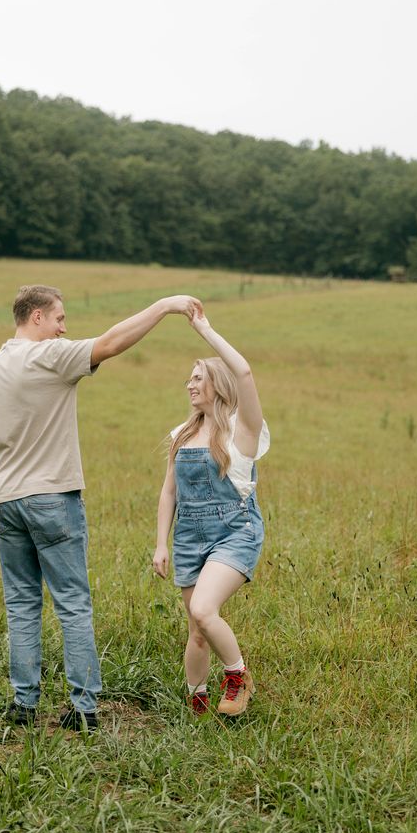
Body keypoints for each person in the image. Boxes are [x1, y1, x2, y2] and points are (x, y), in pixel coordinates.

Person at [0, 284, 200, 732]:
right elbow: (111, 343)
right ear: (36, 316)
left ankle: (23, 702)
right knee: (73, 603)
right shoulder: (48, 356)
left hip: (4, 499)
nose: (64, 327)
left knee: (21, 603)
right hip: (52, 497)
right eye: (59, 318)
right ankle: (83, 707)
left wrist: (7, 485)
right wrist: (165, 305)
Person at [152, 307, 269, 717]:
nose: (190, 384)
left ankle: (238, 676)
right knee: (197, 630)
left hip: (234, 532)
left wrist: (205, 330)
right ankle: (198, 705)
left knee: (204, 610)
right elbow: (169, 492)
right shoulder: (182, 434)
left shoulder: (242, 431)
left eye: (198, 377)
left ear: (218, 384)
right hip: (188, 537)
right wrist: (161, 544)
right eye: (189, 378)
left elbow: (245, 372)